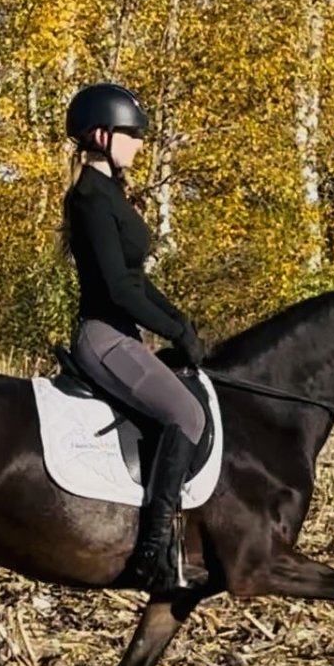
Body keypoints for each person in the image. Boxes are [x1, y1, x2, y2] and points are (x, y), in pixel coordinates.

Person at [60, 82, 208, 593]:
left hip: (125, 335)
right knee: (187, 414)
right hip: (104, 337)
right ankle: (152, 548)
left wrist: (180, 321)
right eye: (133, 134)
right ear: (103, 135)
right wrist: (172, 329)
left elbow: (137, 280)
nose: (140, 143)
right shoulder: (89, 198)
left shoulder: (110, 194)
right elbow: (120, 291)